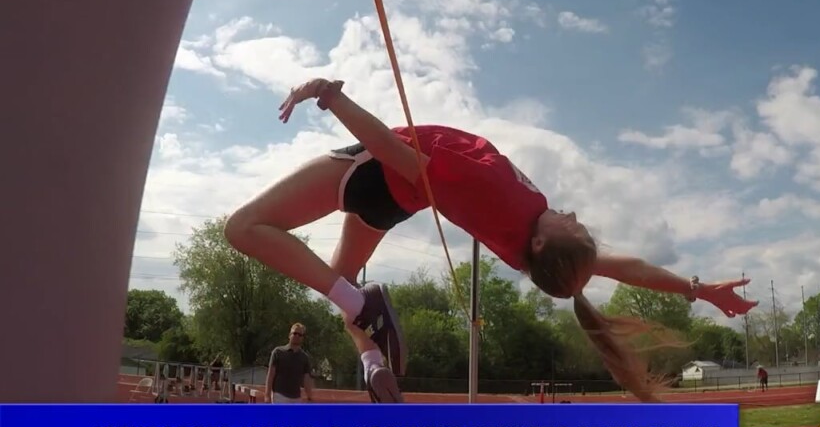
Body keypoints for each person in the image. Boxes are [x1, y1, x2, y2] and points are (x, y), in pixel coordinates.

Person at [225, 77, 759, 404]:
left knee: (244, 228)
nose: (572, 214)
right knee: (340, 294)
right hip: (392, 202)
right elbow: (627, 268)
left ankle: (363, 307)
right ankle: (372, 360)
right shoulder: (529, 231)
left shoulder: (503, 202)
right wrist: (699, 289)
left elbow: (397, 154)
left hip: (375, 173)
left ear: (547, 246)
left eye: (573, 226)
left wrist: (332, 97)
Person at [264, 323, 316, 404]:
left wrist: (310, 396)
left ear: (302, 338)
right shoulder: (278, 352)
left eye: (300, 335)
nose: (297, 336)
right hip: (279, 396)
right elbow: (270, 375)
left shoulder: (304, 357)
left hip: (296, 398)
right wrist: (267, 395)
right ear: (289, 335)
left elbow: (307, 379)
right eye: (295, 333)